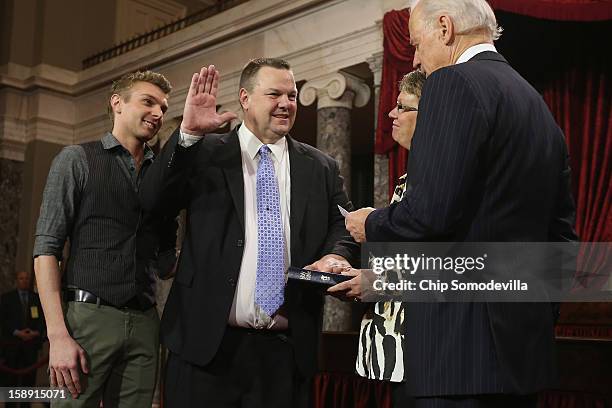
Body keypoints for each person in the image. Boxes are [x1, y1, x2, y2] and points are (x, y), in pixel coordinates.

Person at [344, 0, 578, 407]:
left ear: (445, 28)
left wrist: (372, 225)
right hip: (521, 357)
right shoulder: (538, 108)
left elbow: (430, 213)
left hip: (454, 356)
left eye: (417, 44)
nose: (415, 59)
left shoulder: (452, 83)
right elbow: (562, 241)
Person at [139, 58, 357, 408]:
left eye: (292, 94)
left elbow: (343, 225)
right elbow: (153, 201)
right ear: (245, 98)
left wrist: (335, 255)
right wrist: (189, 135)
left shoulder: (321, 167)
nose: (286, 103)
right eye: (274, 94)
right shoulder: (206, 152)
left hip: (285, 354)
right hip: (206, 350)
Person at [33, 70, 177, 407]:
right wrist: (57, 335)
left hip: (144, 321)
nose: (157, 113)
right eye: (148, 102)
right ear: (117, 103)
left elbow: (165, 260)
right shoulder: (76, 159)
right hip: (86, 319)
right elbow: (46, 251)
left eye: (163, 108)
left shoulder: (163, 176)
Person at [351, 70, 425, 407]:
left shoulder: (435, 180)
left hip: (424, 350)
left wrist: (368, 281)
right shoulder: (410, 177)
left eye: (402, 106)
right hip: (400, 353)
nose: (391, 114)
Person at [1, 271, 46, 406]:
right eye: (21, 278)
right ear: (17, 280)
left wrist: (35, 332)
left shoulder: (36, 298)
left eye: (26, 279)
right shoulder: (6, 298)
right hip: (11, 345)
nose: (24, 281)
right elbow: (3, 320)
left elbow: (42, 319)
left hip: (30, 346)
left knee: (28, 380)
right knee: (11, 381)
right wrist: (17, 332)